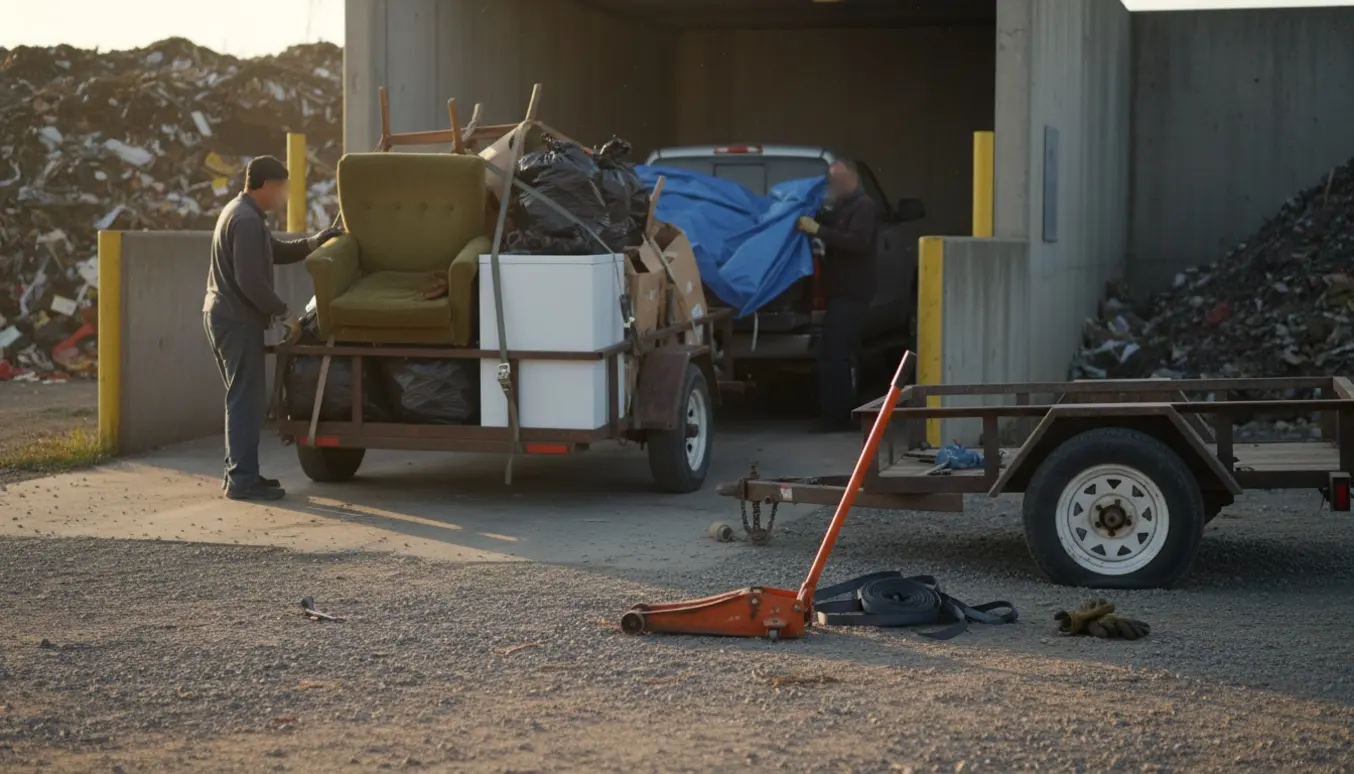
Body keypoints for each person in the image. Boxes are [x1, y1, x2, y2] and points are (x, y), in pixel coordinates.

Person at [204, 155, 343, 500]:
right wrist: (285, 313)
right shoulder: (246, 221)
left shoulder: (240, 212)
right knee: (245, 401)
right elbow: (250, 280)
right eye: (281, 188)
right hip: (237, 321)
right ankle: (242, 480)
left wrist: (314, 241)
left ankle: (239, 474)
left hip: (224, 316)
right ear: (266, 185)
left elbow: (274, 251)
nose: (283, 196)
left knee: (240, 398)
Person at [797, 158, 878, 432]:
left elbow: (858, 241)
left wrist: (819, 230)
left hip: (852, 294)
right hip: (840, 294)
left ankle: (837, 417)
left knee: (836, 356)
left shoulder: (864, 206)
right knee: (837, 354)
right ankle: (840, 413)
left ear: (852, 178)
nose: (833, 184)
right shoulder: (841, 207)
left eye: (837, 179)